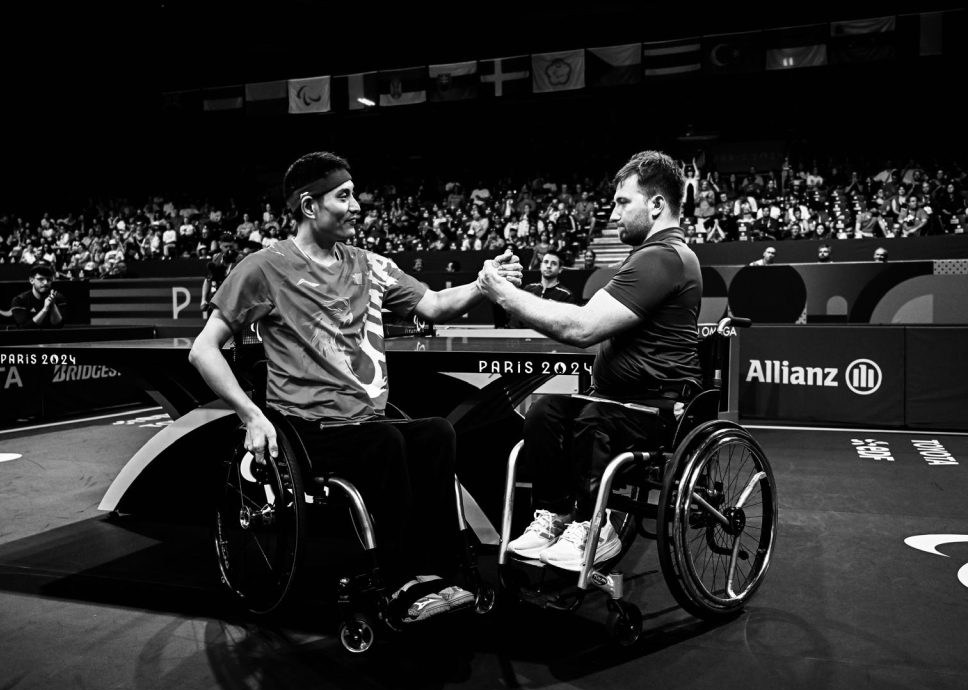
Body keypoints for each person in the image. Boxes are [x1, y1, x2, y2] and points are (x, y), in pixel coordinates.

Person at [189, 151, 523, 623]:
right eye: (344, 196)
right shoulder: (264, 268)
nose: (357, 206)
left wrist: (483, 284)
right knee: (384, 443)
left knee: (435, 433)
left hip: (365, 420)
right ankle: (400, 583)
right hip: (310, 427)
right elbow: (204, 349)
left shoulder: (370, 264)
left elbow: (435, 305)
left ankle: (445, 572)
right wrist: (251, 415)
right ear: (309, 207)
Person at [477, 150, 702, 571]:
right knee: (544, 411)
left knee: (591, 420)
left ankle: (596, 526)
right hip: (619, 399)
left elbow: (582, 329)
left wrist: (504, 294)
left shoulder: (664, 257)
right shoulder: (646, 257)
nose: (613, 213)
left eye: (622, 202)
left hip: (656, 407)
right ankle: (555, 516)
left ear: (656, 204)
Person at [11, 264, 67, 328]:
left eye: (48, 279)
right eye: (41, 279)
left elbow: (59, 326)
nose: (45, 282)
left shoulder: (59, 298)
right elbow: (25, 328)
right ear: (31, 280)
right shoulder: (19, 300)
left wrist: (53, 305)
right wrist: (45, 309)